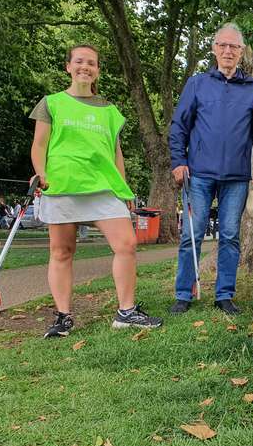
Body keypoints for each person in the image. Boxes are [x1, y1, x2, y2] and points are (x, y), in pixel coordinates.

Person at [30, 44, 163, 338]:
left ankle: (126, 312)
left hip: (103, 187)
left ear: (97, 70)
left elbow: (116, 153)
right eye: (79, 62)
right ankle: (63, 316)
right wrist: (42, 173)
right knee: (62, 251)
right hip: (63, 185)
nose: (85, 67)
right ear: (68, 66)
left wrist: (124, 190)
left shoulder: (110, 111)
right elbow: (39, 145)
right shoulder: (51, 103)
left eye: (91, 63)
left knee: (126, 244)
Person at [168, 23, 253, 315]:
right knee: (193, 233)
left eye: (234, 47)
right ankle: (183, 294)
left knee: (230, 235)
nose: (228, 51)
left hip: (237, 178)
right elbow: (179, 127)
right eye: (223, 45)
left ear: (241, 52)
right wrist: (178, 162)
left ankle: (224, 294)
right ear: (214, 49)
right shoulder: (197, 84)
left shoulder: (252, 89)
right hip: (198, 174)